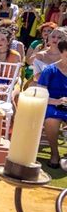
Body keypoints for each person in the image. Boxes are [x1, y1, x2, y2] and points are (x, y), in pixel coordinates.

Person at [38, 39, 67, 168]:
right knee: (51, 120)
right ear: (61, 52)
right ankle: (54, 154)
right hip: (52, 104)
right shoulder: (50, 70)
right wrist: (57, 101)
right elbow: (40, 94)